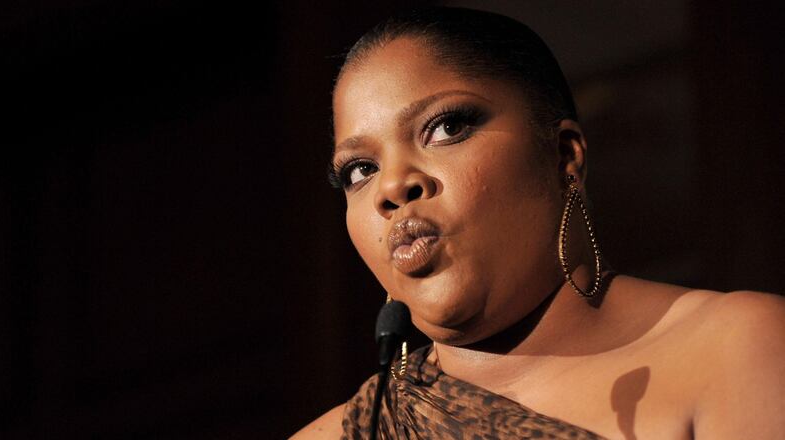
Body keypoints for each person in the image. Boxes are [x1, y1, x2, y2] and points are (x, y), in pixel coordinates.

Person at [293, 7, 784, 439]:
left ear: (563, 156)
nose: (393, 187)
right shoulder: (350, 432)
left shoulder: (737, 351)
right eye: (360, 170)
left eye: (446, 127)